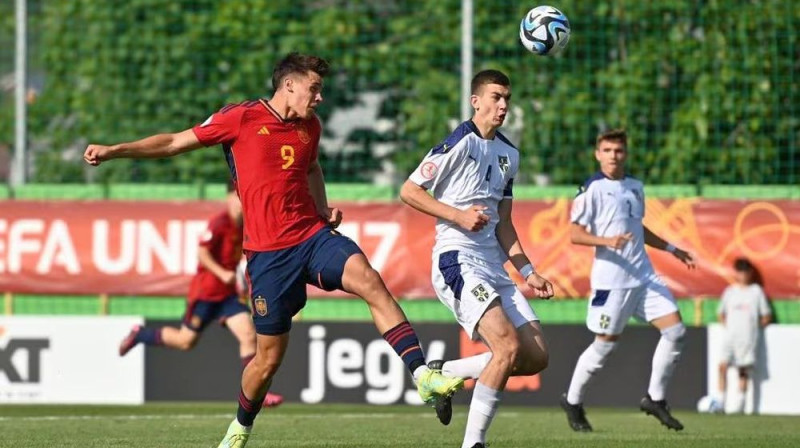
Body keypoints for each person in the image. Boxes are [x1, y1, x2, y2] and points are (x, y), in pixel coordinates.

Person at [84, 52, 463, 448]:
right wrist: (114, 150)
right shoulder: (241, 119)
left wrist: (320, 207)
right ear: (289, 85)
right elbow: (174, 143)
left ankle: (422, 376)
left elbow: (312, 167)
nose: (319, 98)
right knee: (266, 362)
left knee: (369, 280)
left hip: (311, 238)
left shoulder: (310, 127)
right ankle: (239, 428)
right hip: (268, 257)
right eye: (314, 89)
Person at [400, 69, 553, 448]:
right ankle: (473, 444)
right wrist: (458, 215)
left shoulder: (509, 154)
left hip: (493, 266)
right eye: (496, 97)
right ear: (476, 101)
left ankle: (447, 372)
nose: (503, 106)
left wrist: (528, 271)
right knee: (506, 348)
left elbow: (505, 224)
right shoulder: (459, 143)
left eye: (507, 99)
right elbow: (408, 190)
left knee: (535, 357)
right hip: (457, 258)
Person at [560, 129, 695, 432]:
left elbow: (638, 228)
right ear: (598, 154)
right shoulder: (591, 189)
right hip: (612, 282)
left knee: (676, 331)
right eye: (607, 150)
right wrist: (607, 240)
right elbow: (575, 233)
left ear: (626, 154)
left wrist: (674, 250)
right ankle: (572, 400)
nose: (613, 156)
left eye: (618, 151)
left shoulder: (635, 186)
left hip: (644, 277)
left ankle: (655, 399)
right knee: (604, 346)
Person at [117, 181, 282, 407]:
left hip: (227, 297)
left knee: (248, 335)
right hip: (205, 293)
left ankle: (257, 393)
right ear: (228, 198)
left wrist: (240, 284)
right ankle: (140, 335)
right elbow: (202, 253)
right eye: (237, 197)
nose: (241, 203)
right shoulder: (219, 223)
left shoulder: (246, 226)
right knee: (186, 341)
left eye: (244, 197)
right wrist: (222, 273)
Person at [716, 257, 771, 413]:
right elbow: (721, 313)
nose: (743, 275)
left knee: (743, 369)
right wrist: (730, 327)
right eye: (740, 271)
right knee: (722, 366)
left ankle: (740, 403)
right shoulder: (730, 292)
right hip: (730, 337)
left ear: (750, 273)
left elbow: (766, 315)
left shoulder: (756, 292)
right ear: (736, 273)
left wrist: (754, 329)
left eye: (746, 271)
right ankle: (721, 401)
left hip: (748, 338)